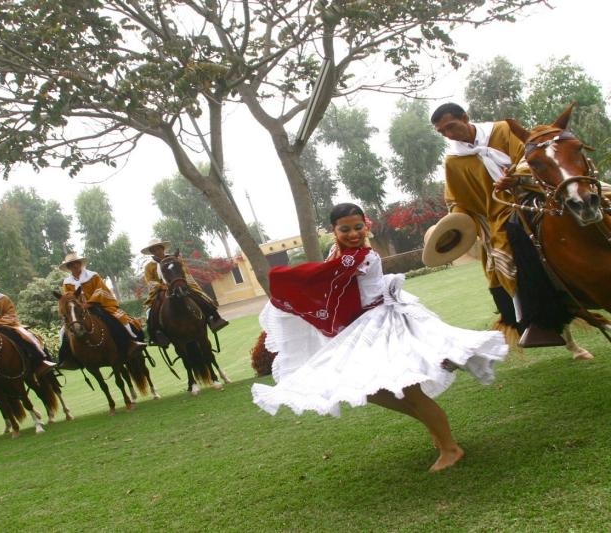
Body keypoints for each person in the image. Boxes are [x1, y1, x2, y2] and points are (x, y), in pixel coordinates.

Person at [251, 203, 508, 472]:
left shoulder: (362, 257)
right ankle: (434, 427)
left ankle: (450, 448)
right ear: (333, 230)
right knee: (370, 390)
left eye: (358, 227)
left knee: (409, 390)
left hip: (384, 325)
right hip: (365, 326)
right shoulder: (339, 254)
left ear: (367, 226)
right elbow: (329, 279)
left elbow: (322, 277)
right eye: (345, 229)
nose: (353, 234)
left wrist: (284, 280)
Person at [429, 102, 568, 347]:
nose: (449, 135)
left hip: (532, 192)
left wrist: (514, 177)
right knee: (504, 252)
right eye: (442, 133)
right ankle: (537, 320)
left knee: (592, 197)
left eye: (451, 127)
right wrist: (456, 223)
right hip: (499, 216)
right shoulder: (453, 161)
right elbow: (457, 200)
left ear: (465, 117)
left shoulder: (503, 131)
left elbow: (530, 154)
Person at [141, 238, 229, 348]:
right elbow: (149, 281)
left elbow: (184, 271)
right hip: (161, 290)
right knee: (150, 310)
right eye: (153, 250)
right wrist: (161, 286)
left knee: (199, 297)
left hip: (178, 284)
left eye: (158, 248)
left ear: (162, 249)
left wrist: (181, 281)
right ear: (151, 252)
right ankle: (156, 334)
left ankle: (213, 318)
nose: (156, 251)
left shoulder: (174, 259)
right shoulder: (149, 266)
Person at [59, 252, 147, 359]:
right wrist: (77, 307)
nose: (74, 266)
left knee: (119, 319)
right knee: (63, 332)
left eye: (76, 263)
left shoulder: (93, 276)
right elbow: (67, 298)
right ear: (69, 267)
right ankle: (68, 358)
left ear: (80, 263)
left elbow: (100, 291)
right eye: (71, 264)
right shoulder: (67, 282)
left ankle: (131, 341)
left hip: (97, 306)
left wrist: (89, 303)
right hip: (78, 312)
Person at [0, 275, 56, 378]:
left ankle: (41, 361)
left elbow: (10, 313)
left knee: (26, 337)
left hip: (6, 326)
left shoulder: (2, 299)